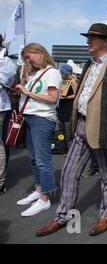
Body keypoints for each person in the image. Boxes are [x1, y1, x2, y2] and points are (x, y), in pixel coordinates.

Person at [36, 23, 107, 237]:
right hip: (81, 125)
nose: (88, 41)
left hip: (103, 128)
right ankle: (61, 217)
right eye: (88, 37)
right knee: (69, 173)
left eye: (92, 37)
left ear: (106, 42)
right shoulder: (90, 65)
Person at [15, 43, 62, 216]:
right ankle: (39, 189)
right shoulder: (35, 73)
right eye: (25, 57)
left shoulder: (52, 72)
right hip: (30, 117)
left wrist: (27, 92)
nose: (28, 60)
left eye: (29, 56)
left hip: (42, 119)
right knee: (34, 158)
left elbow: (52, 98)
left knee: (42, 160)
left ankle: (45, 198)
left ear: (40, 53)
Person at [0, 34, 18, 194]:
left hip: (1, 108)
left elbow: (3, 82)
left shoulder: (7, 63)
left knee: (0, 145)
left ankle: (0, 181)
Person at [57, 63, 78, 152]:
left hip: (69, 106)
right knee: (61, 128)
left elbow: (76, 94)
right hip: (61, 106)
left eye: (61, 72)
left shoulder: (73, 81)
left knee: (68, 129)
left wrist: (66, 97)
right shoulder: (62, 81)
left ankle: (71, 150)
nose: (60, 74)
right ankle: (63, 148)